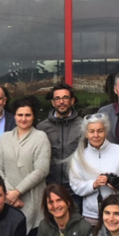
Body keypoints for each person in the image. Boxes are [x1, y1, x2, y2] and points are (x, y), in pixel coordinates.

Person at [0, 97, 51, 236]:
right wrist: (10, 194)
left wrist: (17, 192)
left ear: (34, 116)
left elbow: (41, 170)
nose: (23, 119)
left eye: (28, 115)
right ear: (14, 116)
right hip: (9, 200)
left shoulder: (40, 137)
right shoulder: (4, 138)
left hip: (33, 200)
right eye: (20, 115)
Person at [68, 113, 119, 225]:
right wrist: (94, 185)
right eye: (91, 131)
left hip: (117, 213)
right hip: (91, 216)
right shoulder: (79, 156)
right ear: (86, 134)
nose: (96, 135)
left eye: (100, 131)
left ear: (106, 132)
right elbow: (75, 185)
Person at [37, 83, 83, 211]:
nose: (61, 102)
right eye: (57, 98)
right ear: (53, 103)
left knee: (75, 222)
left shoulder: (83, 125)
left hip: (75, 190)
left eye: (65, 98)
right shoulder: (42, 128)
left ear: (72, 101)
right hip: (51, 190)